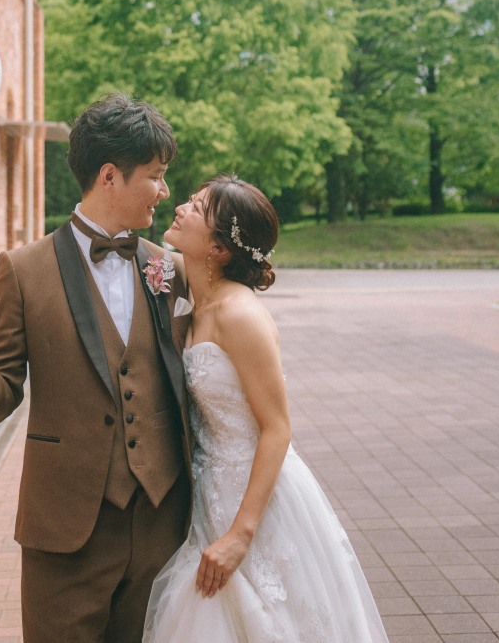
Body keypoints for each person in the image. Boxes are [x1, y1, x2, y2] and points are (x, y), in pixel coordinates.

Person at [0, 92, 193, 643]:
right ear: (110, 176)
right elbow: (0, 399)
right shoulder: (22, 271)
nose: (164, 191)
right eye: (156, 176)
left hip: (161, 524)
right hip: (66, 531)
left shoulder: (170, 270)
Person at [143, 175, 389, 643]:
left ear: (218, 248)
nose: (179, 208)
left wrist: (240, 535)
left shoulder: (241, 316)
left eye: (195, 208)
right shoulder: (195, 294)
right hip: (207, 491)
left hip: (256, 499)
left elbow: (277, 429)